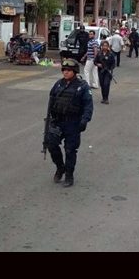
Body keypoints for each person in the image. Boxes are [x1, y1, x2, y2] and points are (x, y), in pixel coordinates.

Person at [44, 58, 94, 187]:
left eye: (68, 70)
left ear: (75, 71)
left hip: (73, 123)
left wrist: (85, 120)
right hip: (58, 122)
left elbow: (88, 105)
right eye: (64, 70)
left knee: (70, 150)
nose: (65, 72)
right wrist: (49, 119)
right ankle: (60, 167)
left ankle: (69, 175)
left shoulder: (82, 86)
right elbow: (51, 100)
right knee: (52, 145)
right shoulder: (59, 84)